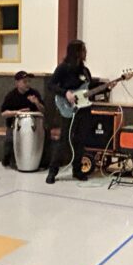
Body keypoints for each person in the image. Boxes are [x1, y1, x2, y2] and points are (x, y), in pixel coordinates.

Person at [47, 40, 92, 184]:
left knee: (80, 140)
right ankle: (52, 171)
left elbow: (89, 89)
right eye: (83, 50)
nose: (86, 53)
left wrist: (108, 87)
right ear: (77, 52)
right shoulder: (63, 68)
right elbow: (51, 85)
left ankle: (77, 170)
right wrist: (65, 93)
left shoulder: (85, 70)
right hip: (67, 108)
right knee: (63, 140)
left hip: (83, 109)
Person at [0, 71, 44, 168]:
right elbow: (3, 113)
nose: (27, 84)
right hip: (15, 125)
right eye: (24, 82)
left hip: (33, 125)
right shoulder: (11, 96)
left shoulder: (34, 93)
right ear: (17, 83)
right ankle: (9, 160)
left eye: (29, 81)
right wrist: (18, 112)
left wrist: (36, 103)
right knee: (10, 141)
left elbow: (43, 111)